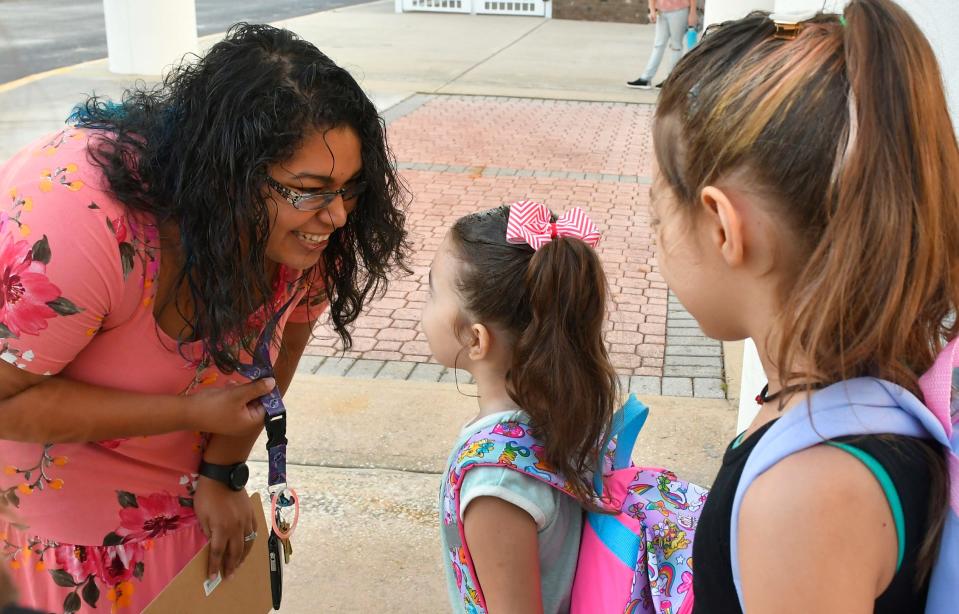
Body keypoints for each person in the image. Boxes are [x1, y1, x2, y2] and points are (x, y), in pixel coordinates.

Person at [0, 23, 408, 612]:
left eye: (350, 187)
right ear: (228, 177)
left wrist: (222, 472)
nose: (339, 215)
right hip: (56, 525)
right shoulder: (77, 230)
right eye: (311, 189)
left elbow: (279, 350)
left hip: (183, 505)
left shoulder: (305, 236)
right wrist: (189, 413)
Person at [649, 1, 957, 611]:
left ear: (721, 227)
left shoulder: (807, 496)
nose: (655, 237)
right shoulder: (864, 386)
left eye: (657, 214)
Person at [424, 202, 618, 613]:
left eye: (432, 292)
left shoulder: (497, 483)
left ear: (476, 340)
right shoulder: (563, 412)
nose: (424, 306)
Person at [627, 0, 698, 89]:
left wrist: (692, 13)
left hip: (679, 10)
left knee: (676, 46)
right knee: (658, 45)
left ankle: (671, 80)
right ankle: (645, 79)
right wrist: (652, 9)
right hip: (661, 11)